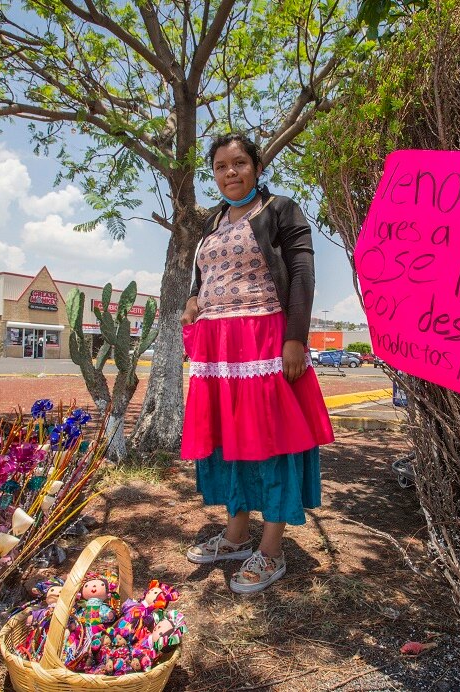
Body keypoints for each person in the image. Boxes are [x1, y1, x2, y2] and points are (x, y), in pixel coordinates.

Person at [180, 133, 334, 594]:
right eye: (222, 166)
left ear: (257, 166)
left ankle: (270, 551)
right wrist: (192, 302)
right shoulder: (212, 221)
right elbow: (200, 276)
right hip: (217, 348)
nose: (231, 172)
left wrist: (295, 339)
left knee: (273, 440)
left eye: (240, 162)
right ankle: (235, 535)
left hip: (265, 343)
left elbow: (303, 273)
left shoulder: (281, 210)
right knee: (229, 440)